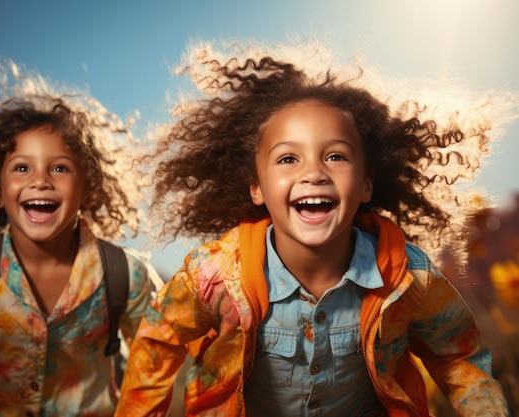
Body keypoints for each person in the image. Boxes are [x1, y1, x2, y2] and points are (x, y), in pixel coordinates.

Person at [115, 40, 512, 416]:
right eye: (288, 158)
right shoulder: (215, 275)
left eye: (335, 155)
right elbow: (158, 337)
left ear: (366, 184)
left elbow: (457, 353)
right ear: (256, 186)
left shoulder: (408, 278)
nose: (313, 172)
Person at [0, 60, 157, 417]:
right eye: (22, 167)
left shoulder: (125, 274)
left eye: (60, 168)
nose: (40, 180)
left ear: (88, 190)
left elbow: (156, 361)